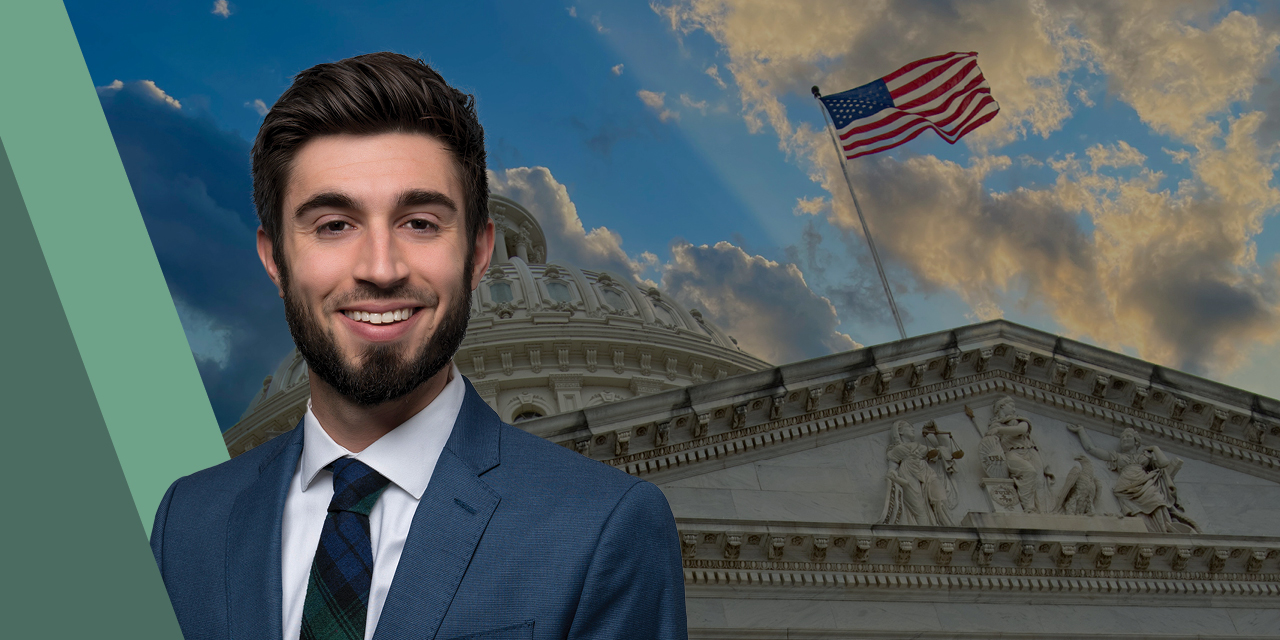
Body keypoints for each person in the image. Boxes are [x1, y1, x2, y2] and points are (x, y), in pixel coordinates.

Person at [149, 52, 687, 640]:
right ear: (274, 257)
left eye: (421, 222)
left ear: (479, 253)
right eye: (334, 224)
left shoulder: (604, 524)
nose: (380, 268)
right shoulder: (188, 522)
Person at [1067, 425, 1201, 533]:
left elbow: (1164, 464)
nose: (1124, 439)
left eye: (1128, 436)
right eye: (1122, 438)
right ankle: (1151, 530)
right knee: (1138, 512)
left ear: (1136, 441)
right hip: (1126, 487)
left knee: (1157, 501)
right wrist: (1081, 431)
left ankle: (1165, 528)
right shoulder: (1118, 457)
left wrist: (1155, 448)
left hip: (1146, 483)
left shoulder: (1145, 456)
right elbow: (1092, 449)